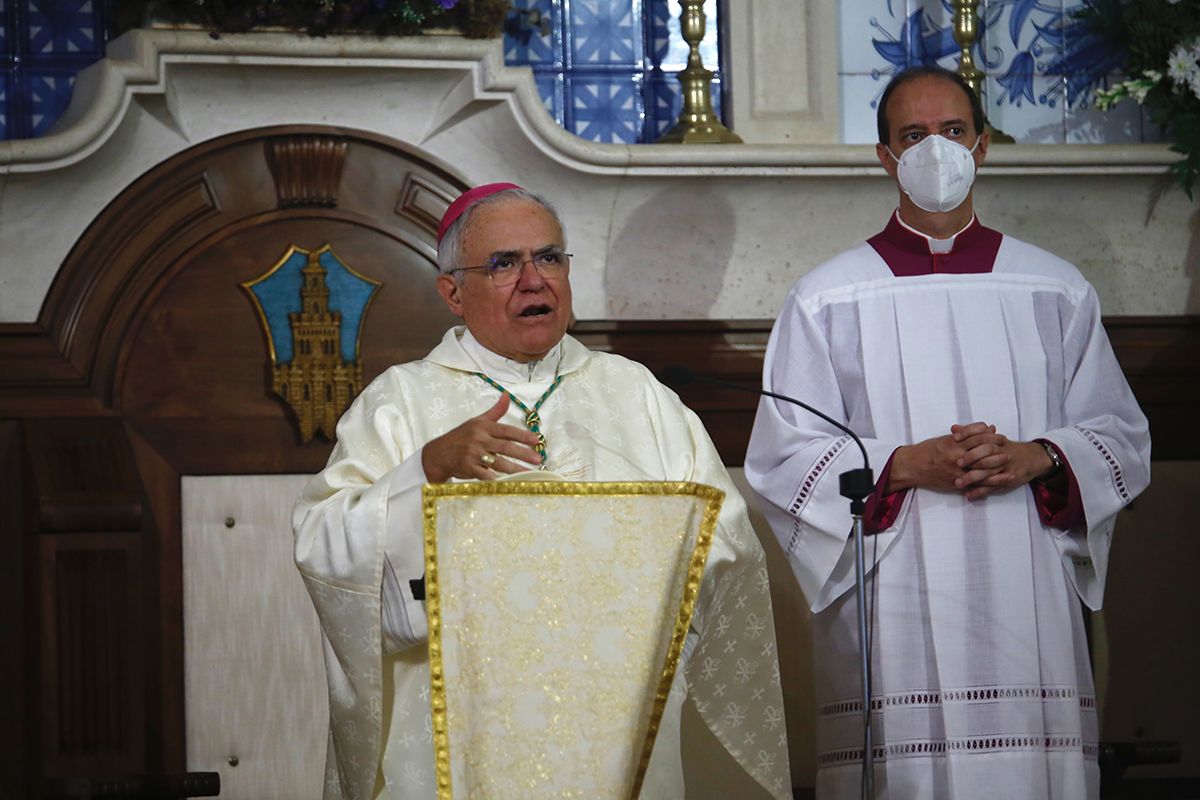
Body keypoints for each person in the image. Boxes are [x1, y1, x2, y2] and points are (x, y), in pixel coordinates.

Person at [293, 183, 792, 799]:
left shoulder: (637, 396)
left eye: (549, 257)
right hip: (465, 716)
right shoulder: (402, 403)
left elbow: (725, 542)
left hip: (622, 718)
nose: (535, 280)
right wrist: (425, 469)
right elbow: (323, 543)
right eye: (504, 264)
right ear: (452, 292)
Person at [745, 66, 1150, 799]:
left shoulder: (1053, 288)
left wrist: (1040, 456)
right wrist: (901, 464)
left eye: (953, 132)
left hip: (1024, 587)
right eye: (913, 135)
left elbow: (1121, 435)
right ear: (884, 157)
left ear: (984, 147)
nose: (937, 149)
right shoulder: (827, 298)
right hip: (892, 595)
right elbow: (781, 459)